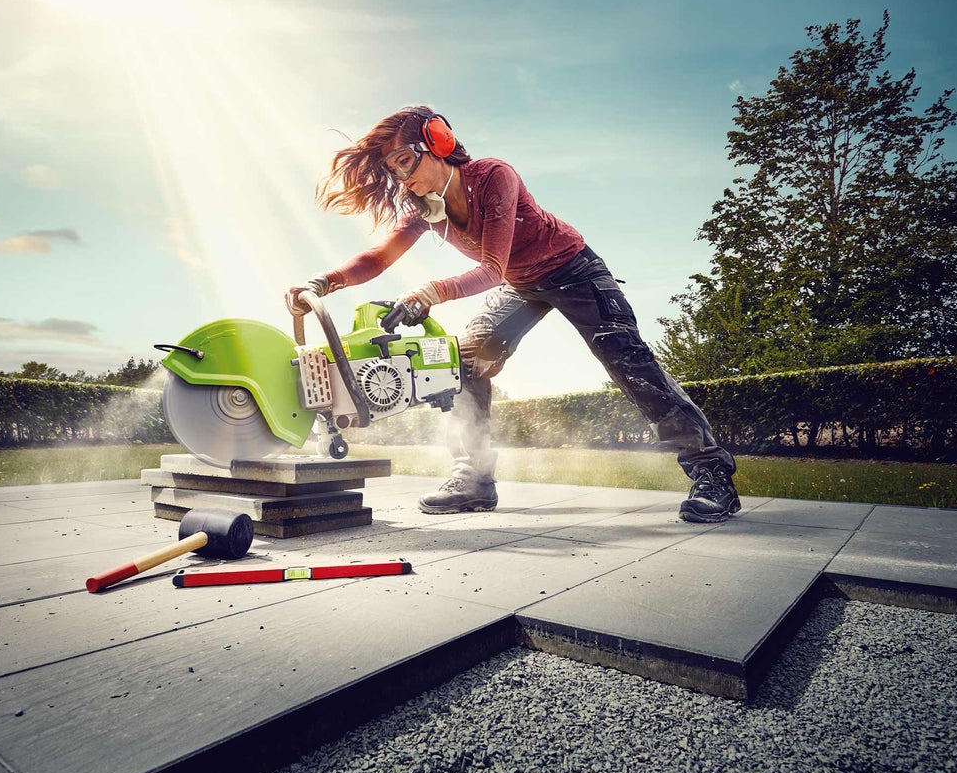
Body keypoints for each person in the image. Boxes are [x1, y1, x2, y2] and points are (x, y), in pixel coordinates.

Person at [286, 106, 740, 523]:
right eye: (392, 170)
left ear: (437, 142)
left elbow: (491, 268)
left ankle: (712, 475)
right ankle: (474, 479)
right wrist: (322, 283)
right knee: (463, 362)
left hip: (573, 269)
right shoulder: (424, 209)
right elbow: (377, 258)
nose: (402, 179)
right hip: (522, 286)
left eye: (404, 161)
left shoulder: (493, 176)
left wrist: (431, 292)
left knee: (628, 361)